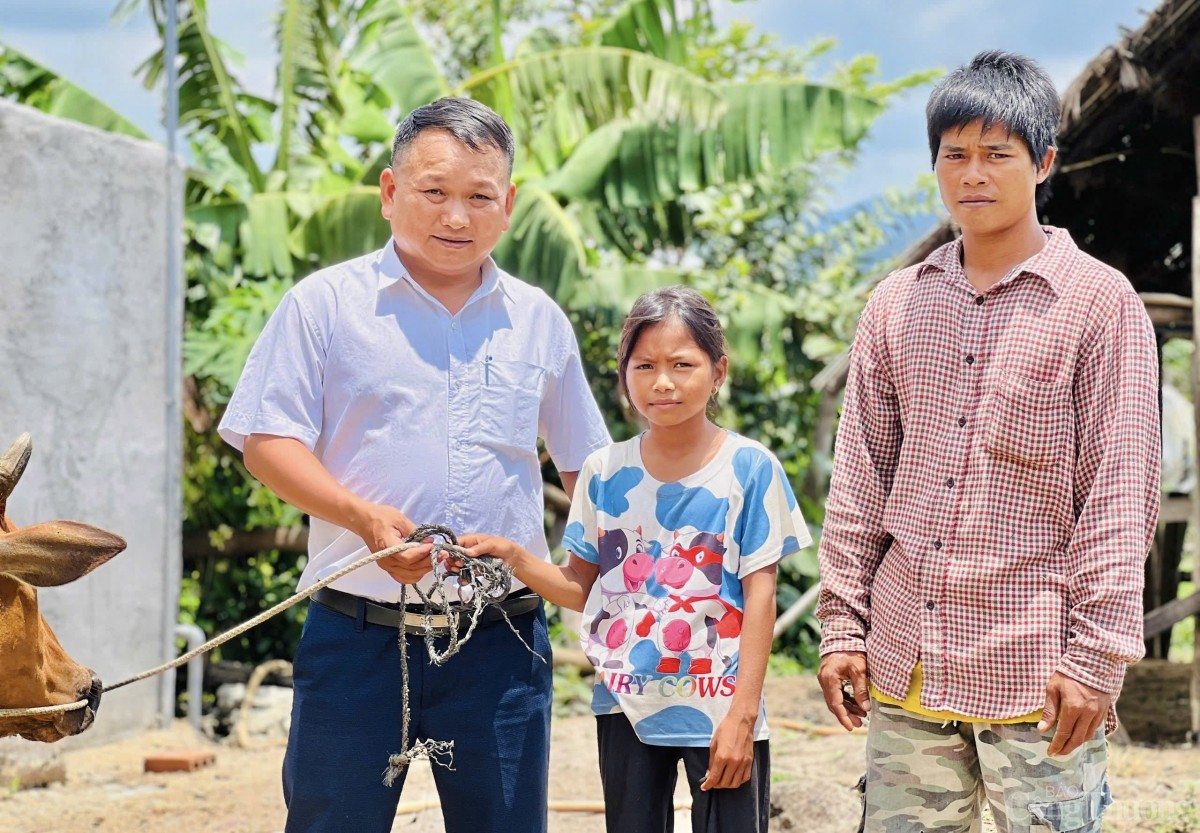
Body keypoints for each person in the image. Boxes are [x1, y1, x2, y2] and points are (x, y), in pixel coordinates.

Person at [217, 97, 610, 833]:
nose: (456, 216)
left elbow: (588, 472)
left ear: (509, 205)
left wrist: (599, 586)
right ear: (390, 193)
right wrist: (361, 518)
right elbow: (268, 443)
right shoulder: (324, 306)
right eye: (434, 192)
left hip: (503, 640)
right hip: (356, 638)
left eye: (478, 196)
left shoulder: (539, 320)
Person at [816, 51, 1160, 832]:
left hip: (1038, 669)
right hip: (908, 654)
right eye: (955, 154)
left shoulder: (1100, 305)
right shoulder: (897, 304)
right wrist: (844, 625)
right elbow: (861, 476)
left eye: (997, 154)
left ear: (1042, 162)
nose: (973, 173)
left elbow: (1119, 488)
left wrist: (1097, 656)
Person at [463, 286, 811, 833]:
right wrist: (510, 556)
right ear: (624, 375)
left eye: (682, 364)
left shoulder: (750, 467)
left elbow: (761, 594)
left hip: (721, 707)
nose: (663, 382)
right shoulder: (604, 471)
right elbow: (580, 586)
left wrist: (744, 714)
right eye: (644, 365)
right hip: (627, 705)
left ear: (717, 371)